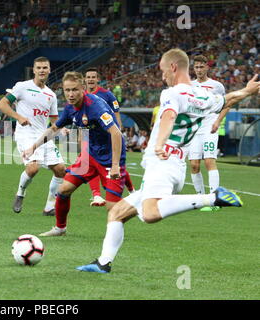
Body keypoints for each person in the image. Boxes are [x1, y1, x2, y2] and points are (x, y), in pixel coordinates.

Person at [76, 48, 259, 273]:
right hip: (175, 163)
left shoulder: (171, 93)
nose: (162, 76)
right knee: (117, 212)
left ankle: (211, 198)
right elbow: (228, 99)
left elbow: (169, 117)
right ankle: (103, 262)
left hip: (163, 160)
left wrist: (160, 143)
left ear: (173, 67)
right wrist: (247, 91)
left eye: (163, 71)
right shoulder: (202, 96)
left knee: (150, 213)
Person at [22, 71, 126, 237]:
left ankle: (138, 204)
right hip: (90, 156)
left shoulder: (95, 107)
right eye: (67, 90)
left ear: (83, 88)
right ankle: (60, 228)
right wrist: (34, 147)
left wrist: (115, 165)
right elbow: (54, 128)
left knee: (112, 208)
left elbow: (116, 133)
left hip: (109, 159)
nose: (70, 94)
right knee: (63, 190)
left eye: (74, 90)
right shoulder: (70, 108)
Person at [0, 56, 66, 216]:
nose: (42, 70)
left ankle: (49, 207)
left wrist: (61, 129)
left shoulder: (51, 95)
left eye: (45, 67)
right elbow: (2, 104)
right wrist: (19, 117)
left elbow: (54, 119)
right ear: (34, 70)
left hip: (44, 136)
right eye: (39, 67)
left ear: (49, 70)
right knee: (33, 168)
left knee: (60, 170)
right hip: (25, 134)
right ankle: (20, 193)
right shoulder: (22, 87)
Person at [84, 67, 134, 206]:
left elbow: (116, 114)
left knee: (118, 164)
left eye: (93, 77)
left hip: (108, 136)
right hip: (91, 135)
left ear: (98, 79)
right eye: (88, 77)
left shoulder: (108, 95)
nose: (91, 79)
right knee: (89, 163)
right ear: (85, 79)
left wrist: (117, 131)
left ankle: (133, 191)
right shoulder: (81, 95)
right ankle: (96, 195)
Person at [188, 55, 226, 212]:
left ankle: (214, 200)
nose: (199, 70)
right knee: (194, 165)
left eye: (201, 67)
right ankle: (201, 199)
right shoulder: (190, 85)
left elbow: (227, 104)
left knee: (209, 161)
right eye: (196, 67)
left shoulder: (216, 86)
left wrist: (217, 121)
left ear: (207, 67)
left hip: (209, 127)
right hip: (195, 129)